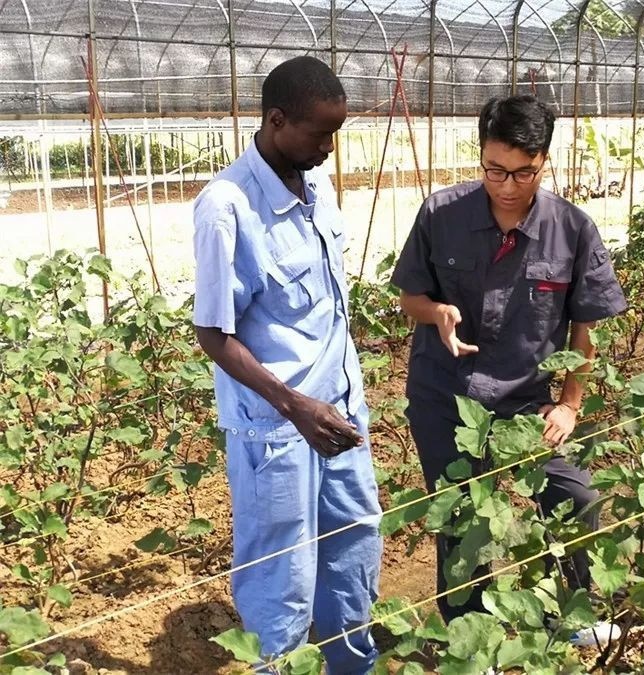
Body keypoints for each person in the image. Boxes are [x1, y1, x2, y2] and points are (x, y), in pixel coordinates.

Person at [390, 95, 627, 643]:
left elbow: (585, 329)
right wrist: (439, 313)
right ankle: (473, 634)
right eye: (494, 169)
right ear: (481, 157)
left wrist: (569, 404)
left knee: (576, 498)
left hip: (525, 399)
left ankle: (569, 614)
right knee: (460, 517)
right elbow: (411, 298)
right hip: (445, 394)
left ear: (544, 161)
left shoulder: (572, 229)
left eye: (524, 171)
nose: (507, 184)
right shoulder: (440, 214)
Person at [192, 56, 382, 673]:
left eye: (336, 133)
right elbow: (214, 334)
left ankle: (351, 665)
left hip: (340, 412)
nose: (329, 148)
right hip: (278, 426)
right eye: (320, 134)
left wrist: (331, 400)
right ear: (277, 121)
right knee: (283, 569)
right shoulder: (227, 206)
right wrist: (294, 404)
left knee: (353, 546)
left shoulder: (315, 185)